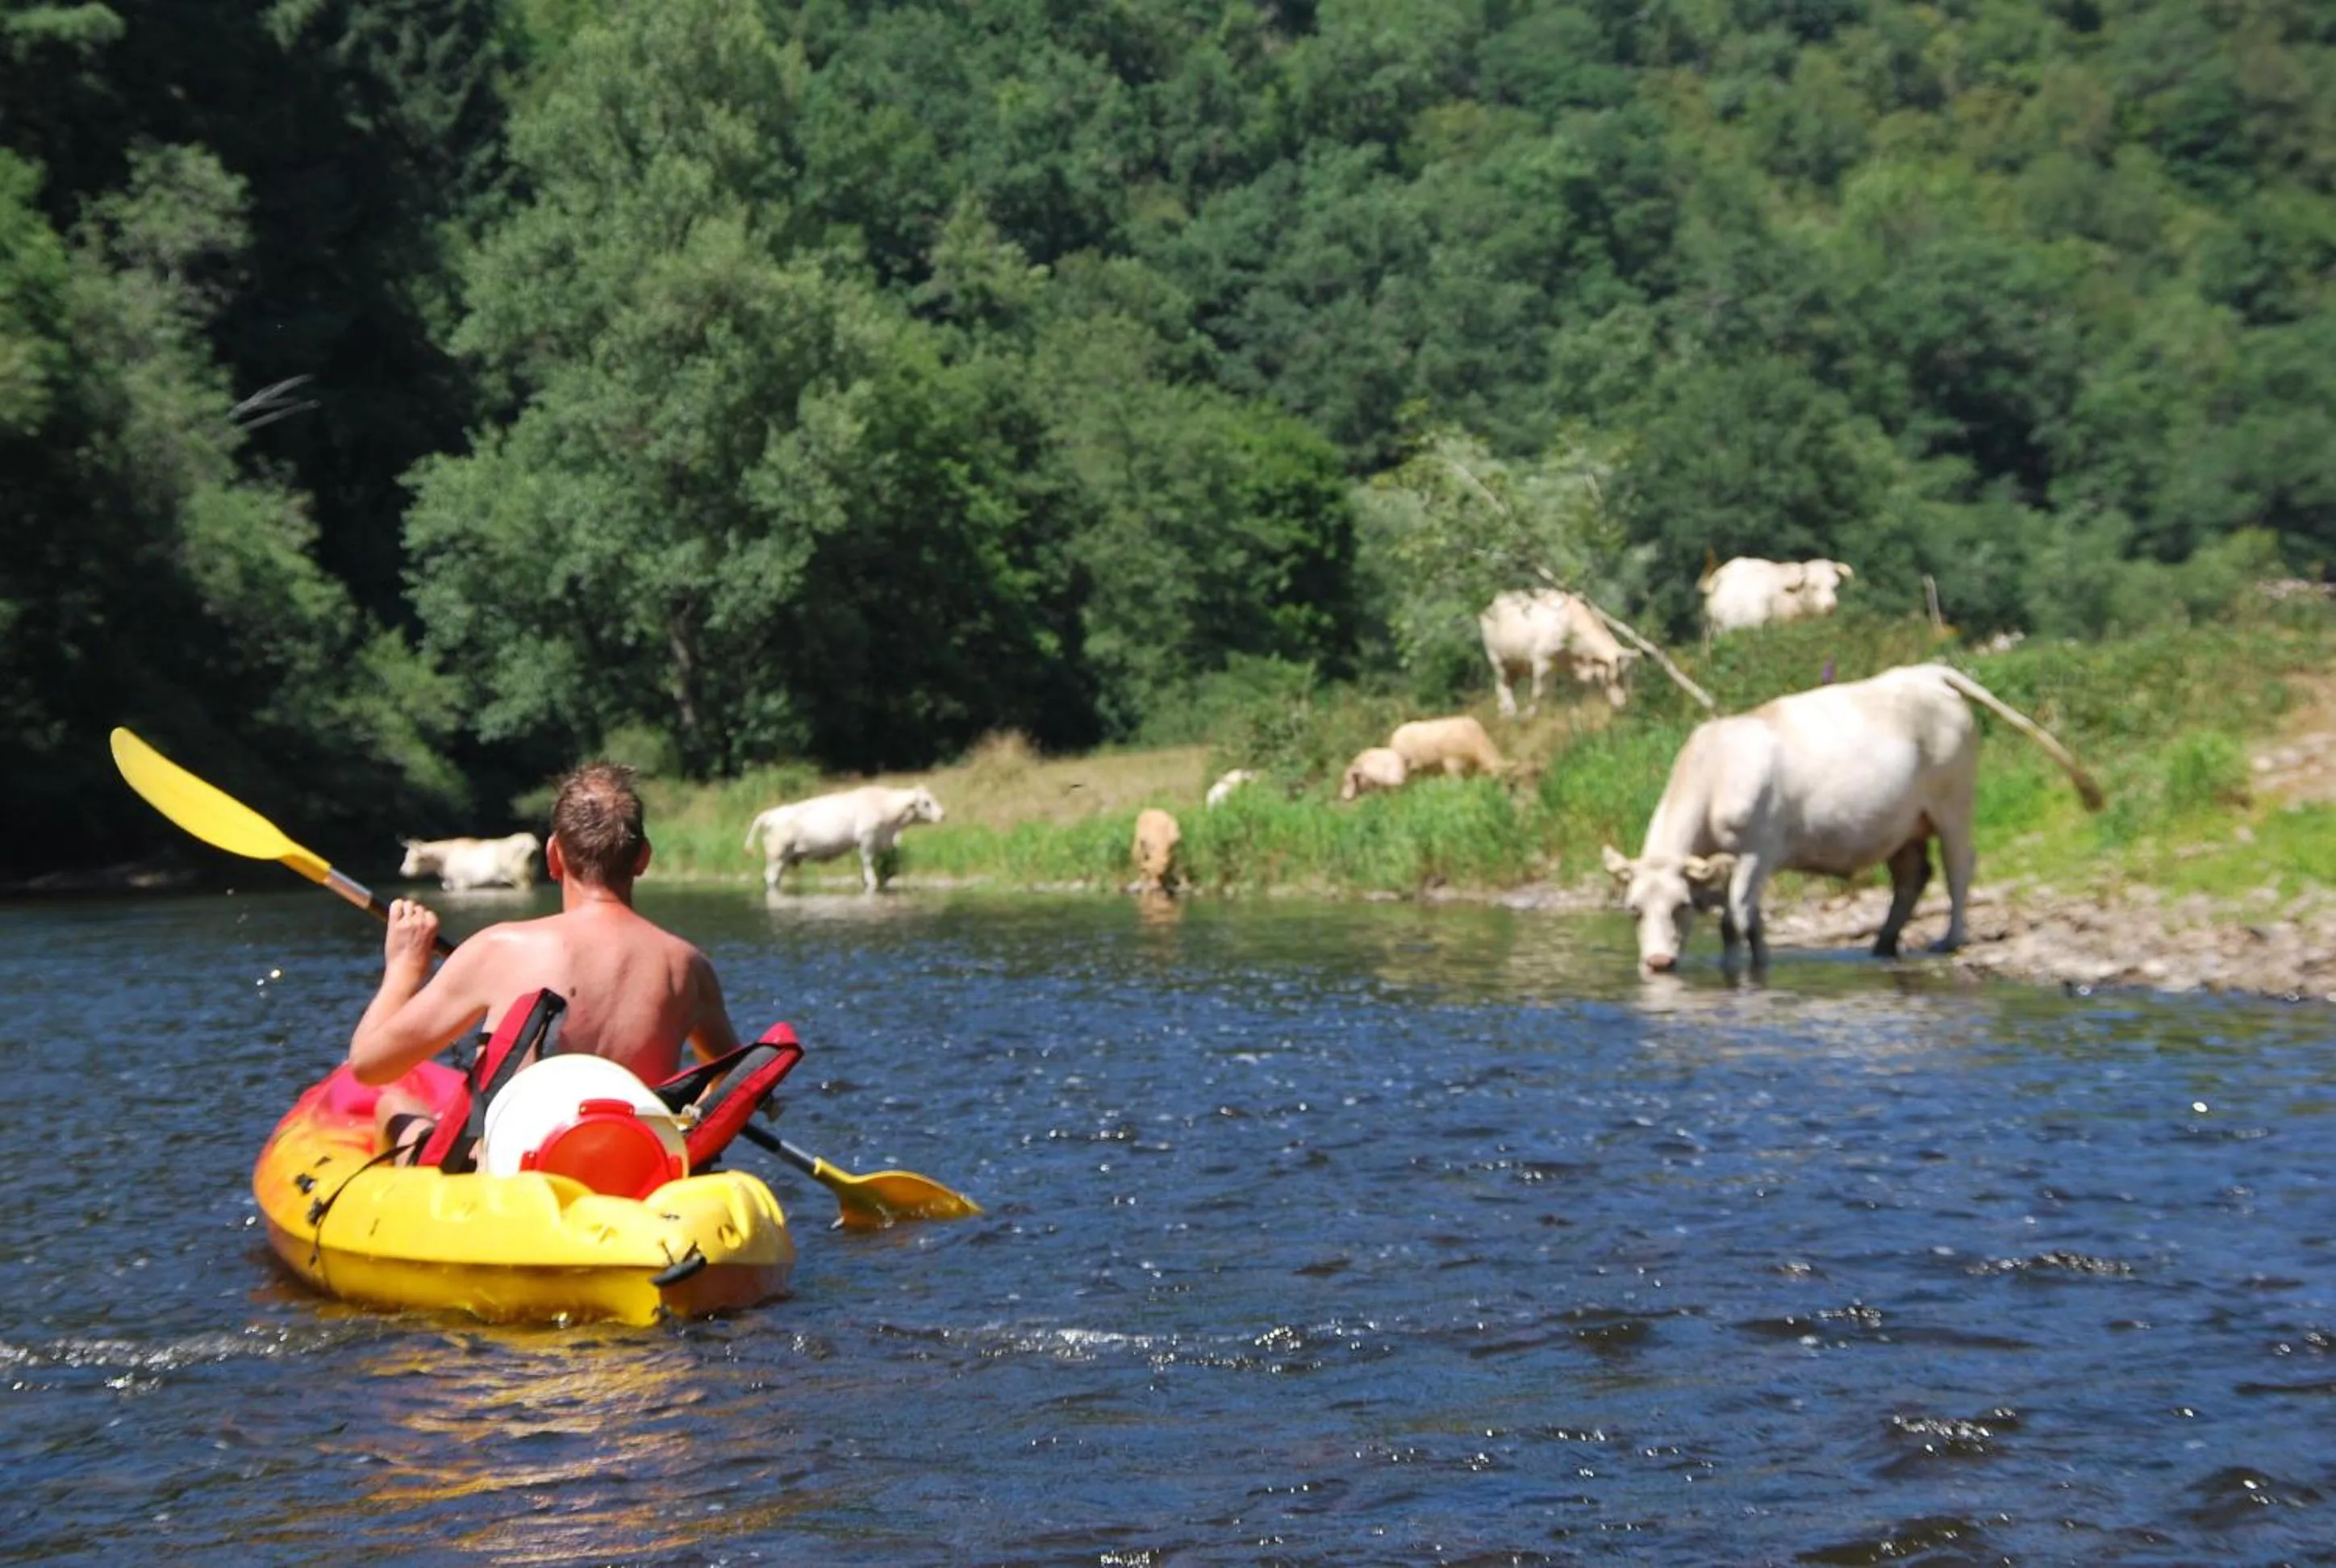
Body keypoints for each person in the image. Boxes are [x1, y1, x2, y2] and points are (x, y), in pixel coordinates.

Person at [349, 761, 743, 1161]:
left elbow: (369, 1066)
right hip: (634, 1165)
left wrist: (403, 970)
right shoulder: (688, 967)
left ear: (553, 856)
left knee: (394, 1105)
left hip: (522, 1176)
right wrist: (687, 1124)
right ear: (642, 858)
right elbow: (732, 1078)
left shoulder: (500, 949)